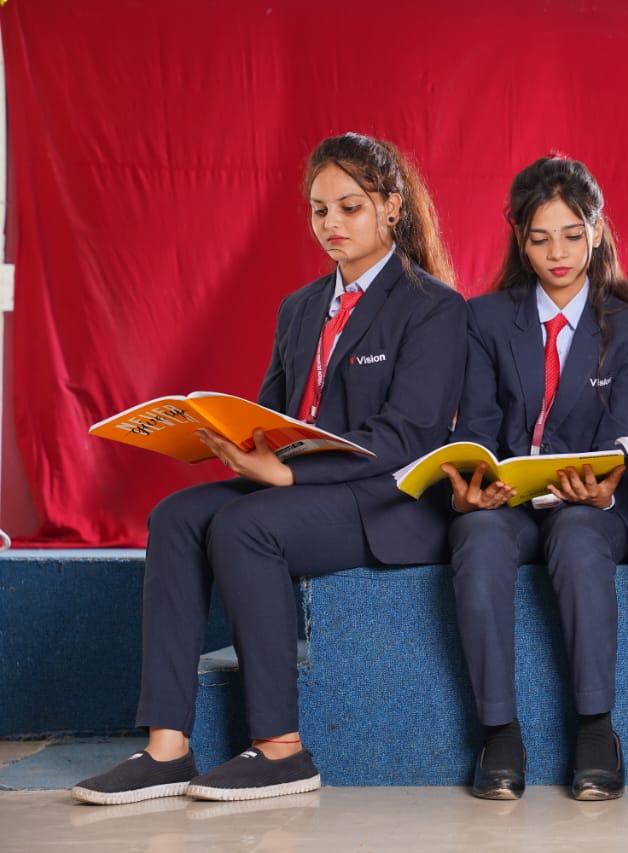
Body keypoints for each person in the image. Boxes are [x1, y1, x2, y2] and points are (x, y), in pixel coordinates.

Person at [72, 133, 467, 805]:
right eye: (319, 211)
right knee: (174, 516)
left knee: (246, 526)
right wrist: (224, 439)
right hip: (294, 484)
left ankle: (282, 748)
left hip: (386, 501)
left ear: (392, 207)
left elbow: (407, 437)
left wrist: (289, 477)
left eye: (349, 207)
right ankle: (168, 745)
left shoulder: (434, 307)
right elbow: (276, 413)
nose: (332, 225)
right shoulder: (300, 307)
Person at [442, 156, 628, 801]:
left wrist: (608, 486)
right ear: (519, 239)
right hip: (509, 496)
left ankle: (596, 729)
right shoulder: (485, 320)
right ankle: (499, 732)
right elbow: (478, 426)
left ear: (596, 230)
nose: (557, 253)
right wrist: (475, 482)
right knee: (476, 538)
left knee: (581, 537)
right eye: (539, 238)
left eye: (571, 234)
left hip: (590, 502)